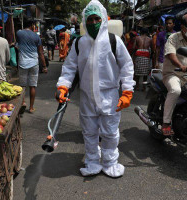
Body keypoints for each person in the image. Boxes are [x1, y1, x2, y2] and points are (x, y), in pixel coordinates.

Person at [56, 0, 135, 178]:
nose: (93, 23)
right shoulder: (79, 43)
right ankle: (92, 162)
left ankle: (110, 163)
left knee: (110, 132)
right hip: (87, 97)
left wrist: (127, 92)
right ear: (84, 21)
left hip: (110, 95)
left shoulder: (114, 41)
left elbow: (127, 66)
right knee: (89, 132)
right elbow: (69, 68)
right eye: (89, 20)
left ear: (103, 20)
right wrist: (62, 86)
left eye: (96, 19)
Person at [16, 19, 46, 113]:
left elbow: (17, 45)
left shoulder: (19, 33)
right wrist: (44, 66)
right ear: (32, 26)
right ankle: (31, 107)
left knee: (22, 86)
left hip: (22, 63)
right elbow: (41, 53)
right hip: (34, 63)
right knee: (32, 86)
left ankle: (23, 102)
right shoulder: (36, 37)